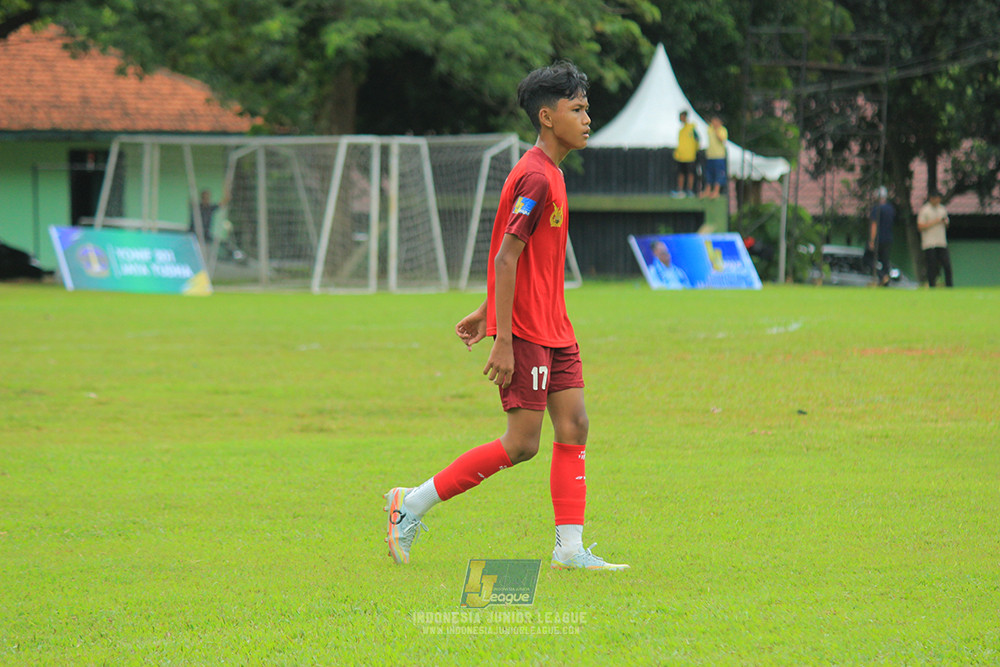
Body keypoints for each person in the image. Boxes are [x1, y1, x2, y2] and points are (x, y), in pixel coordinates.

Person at [383, 61, 628, 571]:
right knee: (521, 444)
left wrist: (483, 310)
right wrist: (502, 337)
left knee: (575, 424)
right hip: (529, 333)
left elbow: (526, 260)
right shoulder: (536, 177)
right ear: (546, 116)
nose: (587, 118)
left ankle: (569, 549)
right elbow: (504, 256)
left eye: (587, 108)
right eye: (577, 109)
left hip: (554, 327)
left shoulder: (552, 172)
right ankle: (410, 503)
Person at [917, 190, 953, 287]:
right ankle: (932, 285)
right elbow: (920, 226)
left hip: (941, 242)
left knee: (947, 265)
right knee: (931, 266)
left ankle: (949, 285)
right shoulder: (925, 210)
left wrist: (944, 222)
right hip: (929, 243)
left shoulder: (942, 209)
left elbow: (947, 223)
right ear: (931, 199)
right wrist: (935, 221)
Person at [867, 186, 896, 286]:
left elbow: (874, 225)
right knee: (885, 261)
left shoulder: (876, 209)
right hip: (888, 238)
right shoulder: (890, 209)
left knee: (868, 259)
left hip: (878, 239)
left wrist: (871, 240)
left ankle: (882, 276)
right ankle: (885, 280)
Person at [700, 116, 728, 199]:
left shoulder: (722, 130)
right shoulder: (710, 129)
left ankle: (716, 191)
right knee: (709, 174)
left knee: (718, 174)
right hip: (710, 156)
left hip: (719, 156)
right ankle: (708, 190)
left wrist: (716, 130)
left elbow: (721, 139)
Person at [672, 111, 698, 198]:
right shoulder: (681, 130)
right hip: (681, 156)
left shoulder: (691, 128)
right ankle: (680, 190)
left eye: (682, 117)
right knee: (681, 173)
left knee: (690, 173)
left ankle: (689, 190)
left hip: (690, 156)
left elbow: (697, 139)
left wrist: (694, 150)